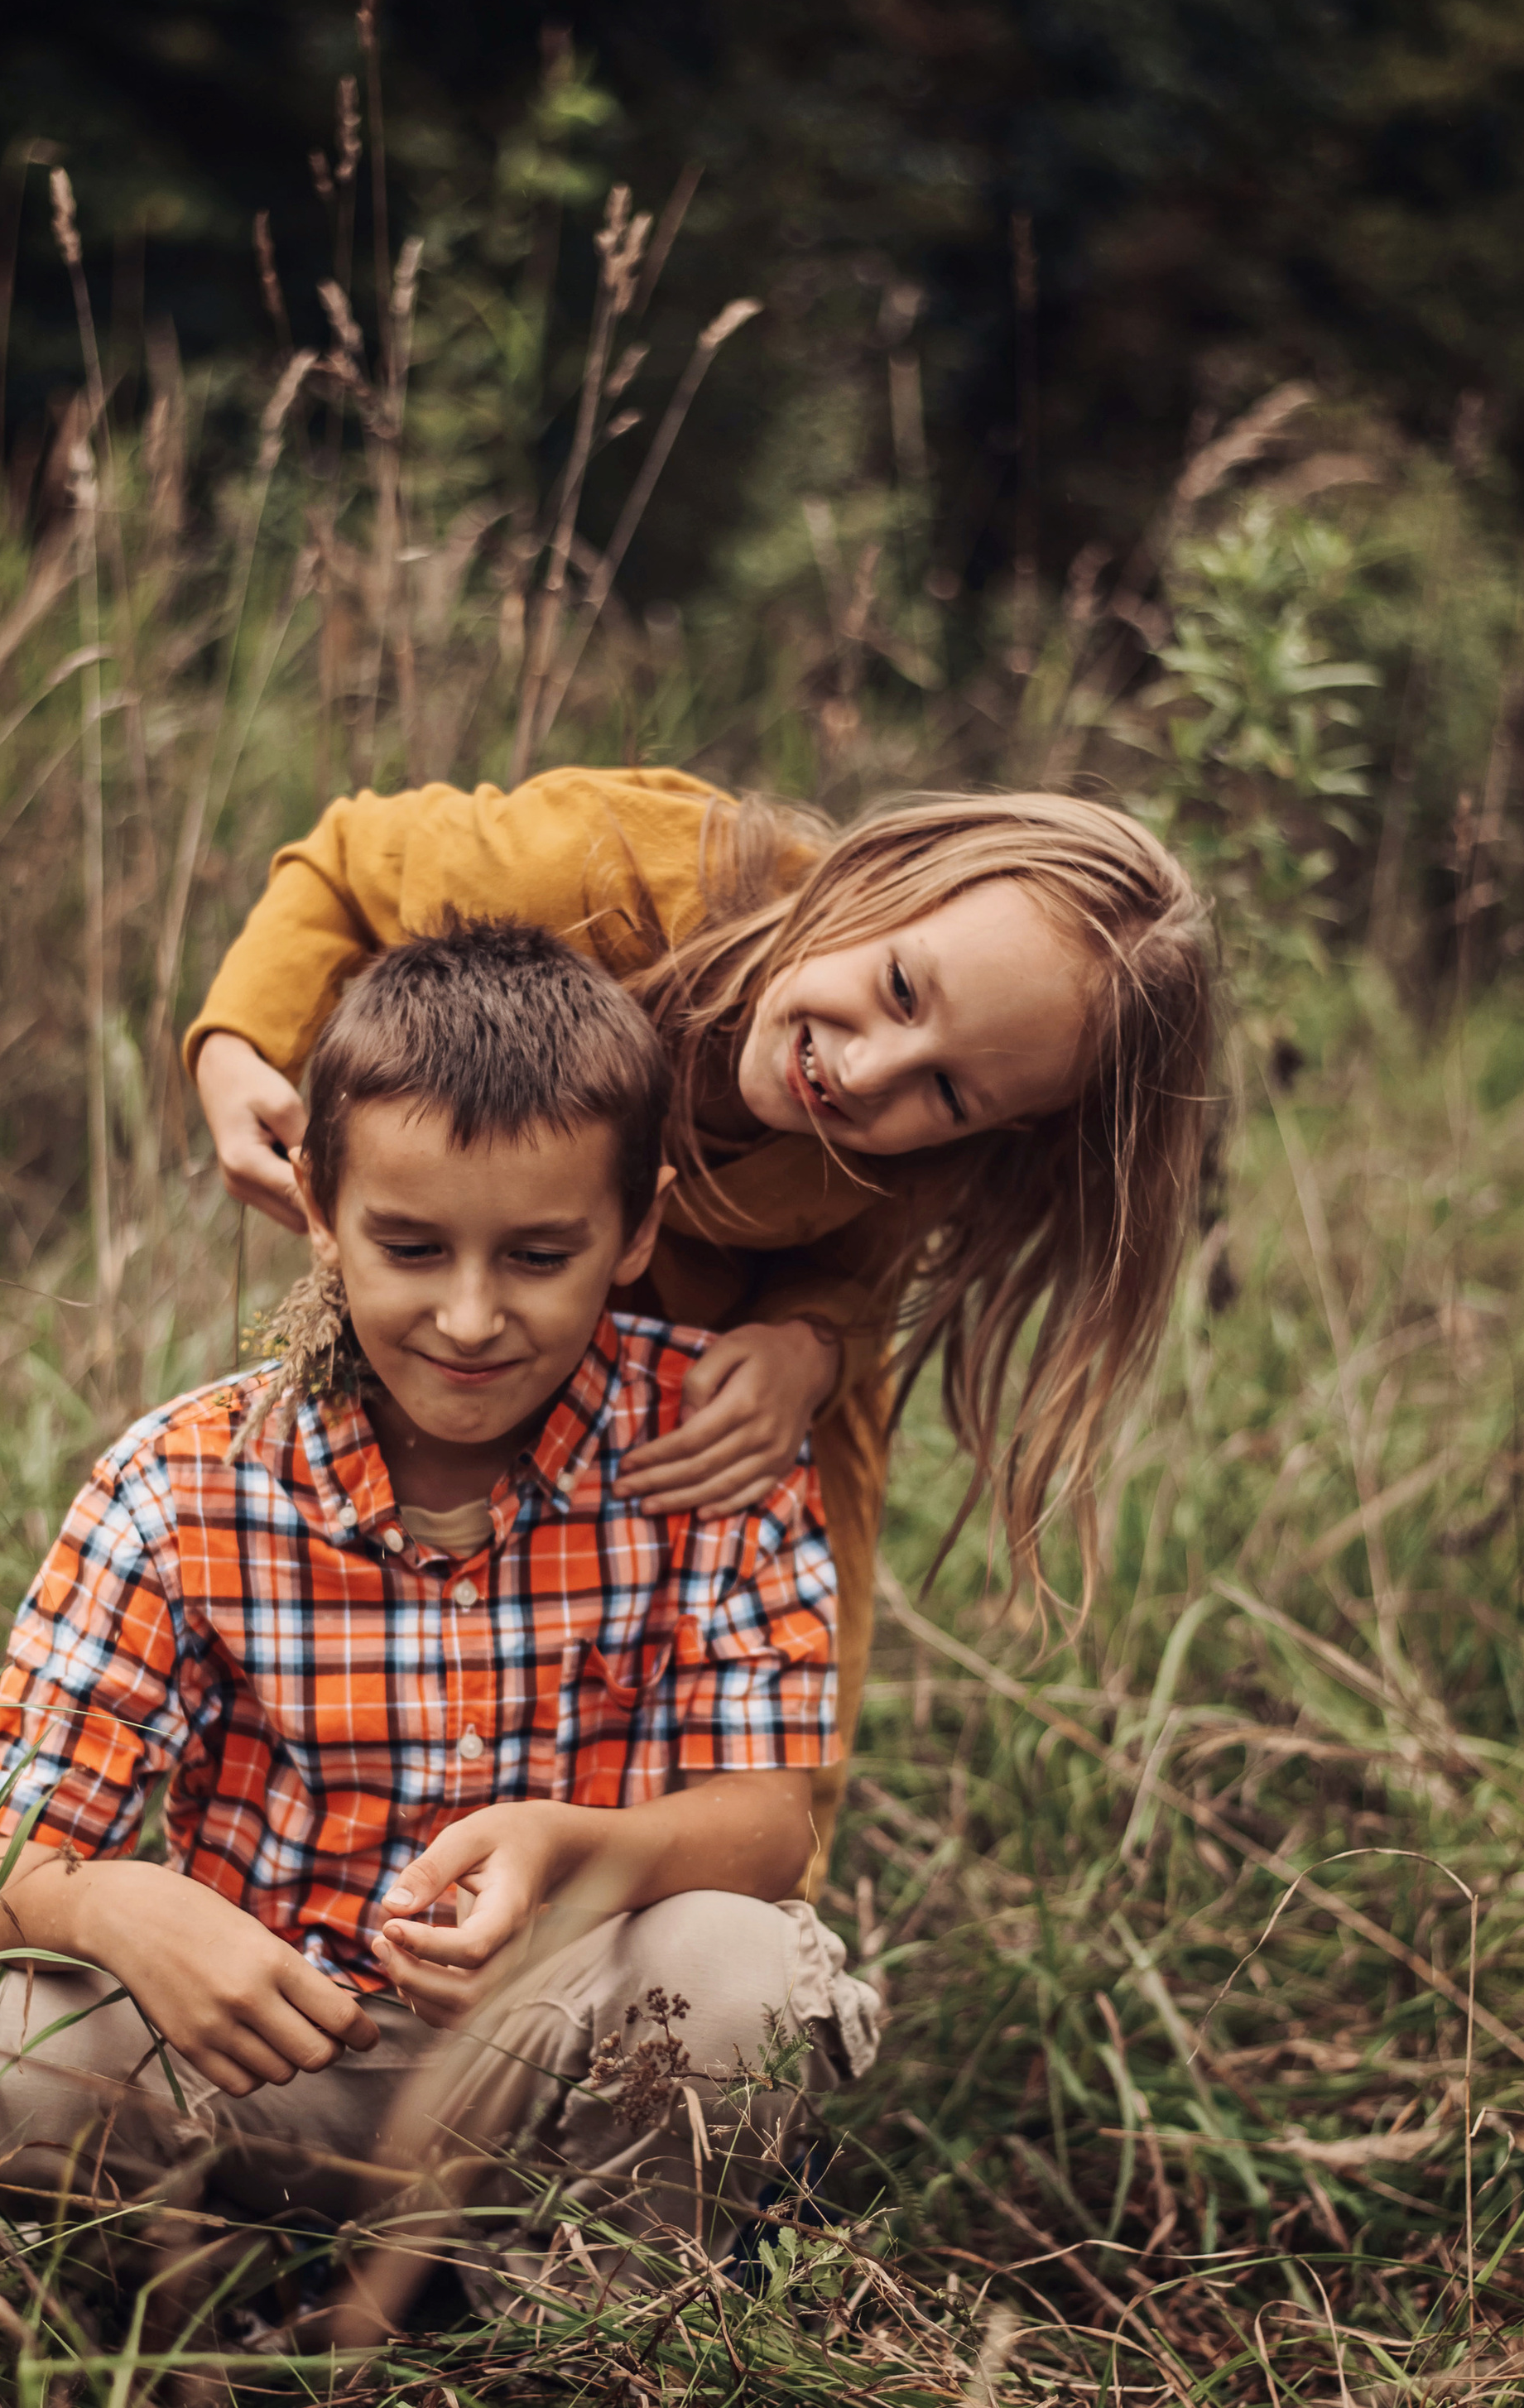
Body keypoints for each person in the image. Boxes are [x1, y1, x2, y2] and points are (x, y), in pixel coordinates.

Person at [0, 917, 877, 2324]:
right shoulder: (185, 1486)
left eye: (540, 1253)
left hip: (552, 2063)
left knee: (736, 1968)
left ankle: (591, 2330)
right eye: (412, 1244)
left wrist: (575, 1846)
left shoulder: (703, 1448)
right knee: (5, 2040)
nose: (472, 1314)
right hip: (269, 2066)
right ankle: (209, 2314)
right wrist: (114, 1900)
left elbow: (772, 1827)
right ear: (320, 1203)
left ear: (636, 1229)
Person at [187, 768, 1216, 1887]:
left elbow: (866, 1251)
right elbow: (342, 859)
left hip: (738, 1360)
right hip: (491, 1277)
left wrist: (812, 1341)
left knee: (769, 1693)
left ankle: (728, 1972)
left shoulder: (946, 1144)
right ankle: (366, 1893)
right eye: (902, 988)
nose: (867, 1071)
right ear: (875, 879)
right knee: (429, 1597)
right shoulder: (610, 866)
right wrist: (235, 1045)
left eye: (951, 1095)